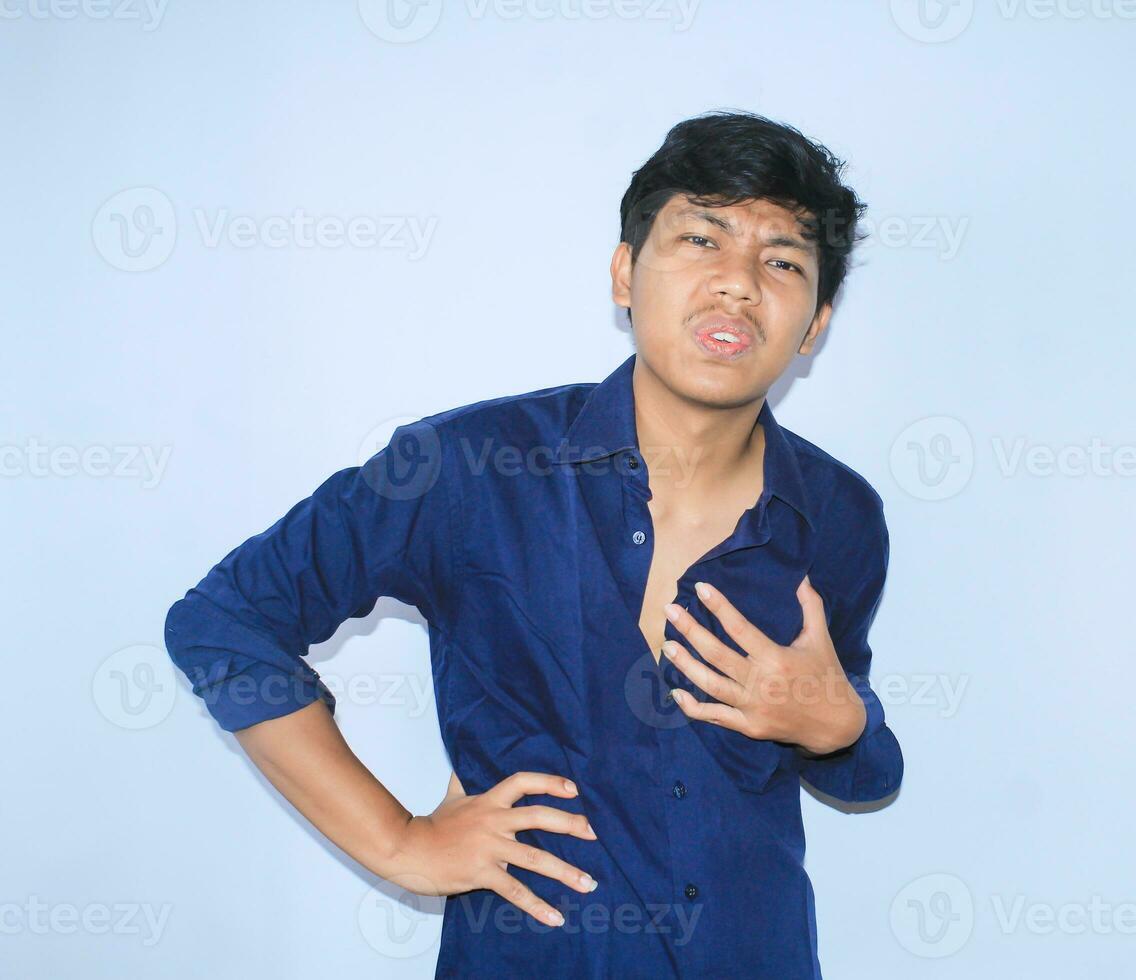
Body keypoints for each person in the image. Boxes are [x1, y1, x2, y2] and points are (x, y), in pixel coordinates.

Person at [163, 108, 903, 978]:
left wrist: (842, 724)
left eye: (782, 261)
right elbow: (224, 620)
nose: (738, 282)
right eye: (702, 238)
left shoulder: (841, 514)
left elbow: (857, 755)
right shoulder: (466, 469)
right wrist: (401, 843)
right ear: (626, 274)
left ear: (813, 323)